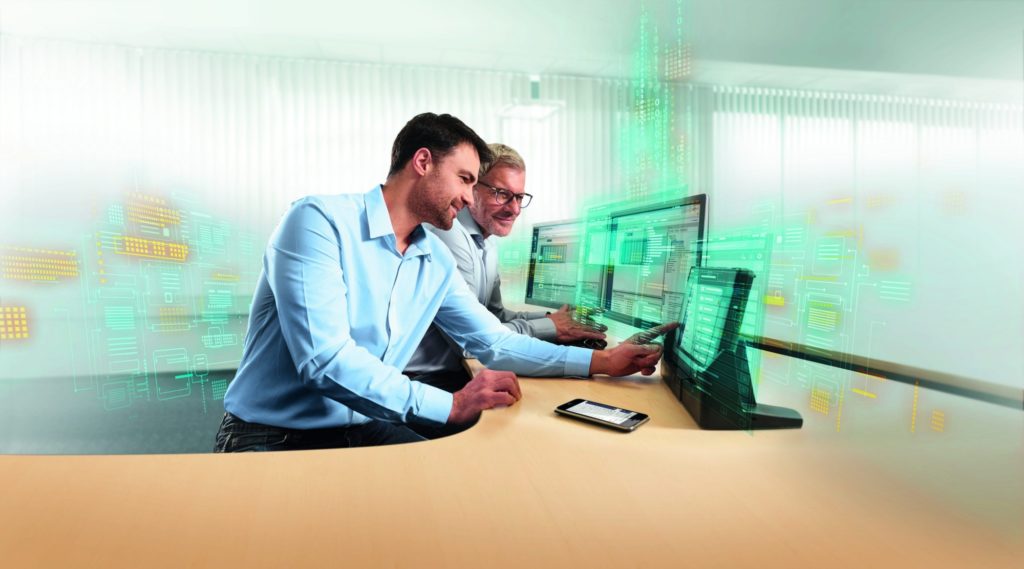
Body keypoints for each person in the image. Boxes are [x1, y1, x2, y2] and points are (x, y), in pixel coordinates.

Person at [214, 112, 661, 452]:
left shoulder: (433, 258)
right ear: (423, 162)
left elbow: (495, 343)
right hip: (272, 434)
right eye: (466, 179)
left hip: (359, 422)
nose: (470, 197)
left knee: (474, 484)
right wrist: (449, 406)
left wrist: (602, 363)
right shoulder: (317, 222)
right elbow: (325, 361)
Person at [405, 143, 606, 395]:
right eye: (501, 194)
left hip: (451, 374)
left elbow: (494, 316)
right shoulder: (450, 235)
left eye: (519, 197)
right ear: (473, 188)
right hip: (426, 381)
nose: (514, 209)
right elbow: (472, 344)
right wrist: (553, 328)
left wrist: (549, 319)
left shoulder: (486, 241)